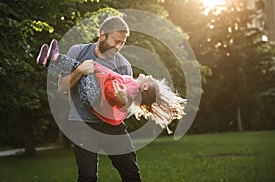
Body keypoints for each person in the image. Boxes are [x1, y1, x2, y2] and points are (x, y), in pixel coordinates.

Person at [37, 40, 186, 130]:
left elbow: (114, 90)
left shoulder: (132, 88)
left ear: (145, 87)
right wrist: (98, 68)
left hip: (93, 97)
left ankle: (54, 59)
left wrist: (97, 68)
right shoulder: (131, 84)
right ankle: (49, 61)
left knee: (81, 67)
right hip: (93, 97)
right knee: (78, 66)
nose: (148, 75)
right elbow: (112, 75)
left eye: (149, 78)